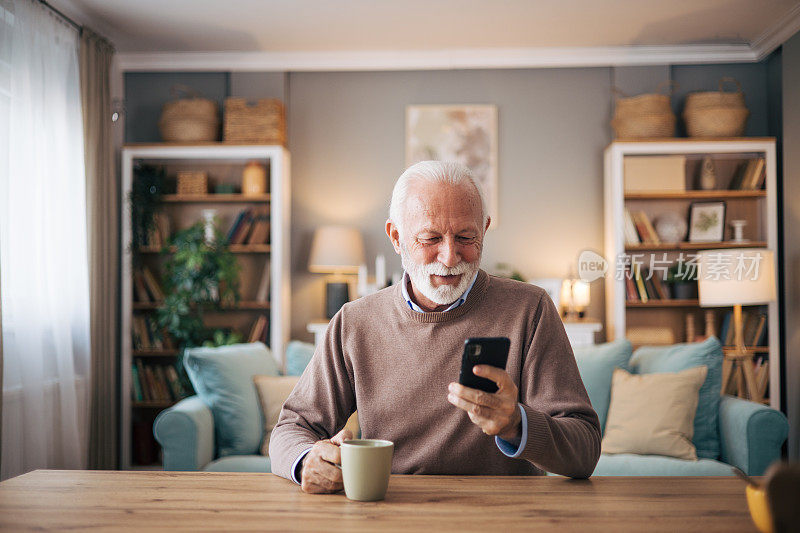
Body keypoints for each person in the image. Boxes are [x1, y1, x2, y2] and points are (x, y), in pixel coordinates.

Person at [270, 160, 601, 494]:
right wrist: (307, 459)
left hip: (506, 515)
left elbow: (585, 450)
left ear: (484, 230)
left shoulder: (530, 310)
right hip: (391, 513)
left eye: (466, 236)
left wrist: (517, 424)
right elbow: (290, 429)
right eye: (430, 238)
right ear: (396, 237)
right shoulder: (354, 322)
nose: (449, 256)